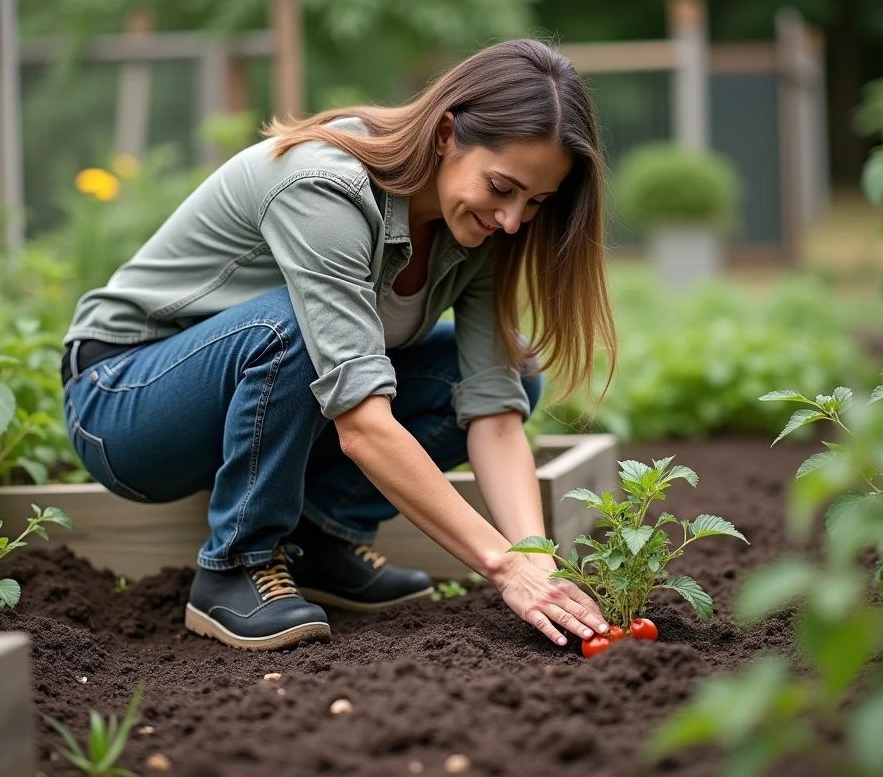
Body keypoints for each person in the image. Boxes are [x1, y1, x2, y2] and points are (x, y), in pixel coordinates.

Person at [60, 38, 617, 652]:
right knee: (297, 327)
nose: (513, 221)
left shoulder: (479, 231)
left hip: (246, 400)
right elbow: (362, 422)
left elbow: (493, 411)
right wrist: (499, 566)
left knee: (512, 371)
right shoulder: (326, 186)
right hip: (124, 403)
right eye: (502, 187)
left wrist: (535, 561)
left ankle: (322, 536)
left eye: (536, 202)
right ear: (445, 133)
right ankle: (234, 566)